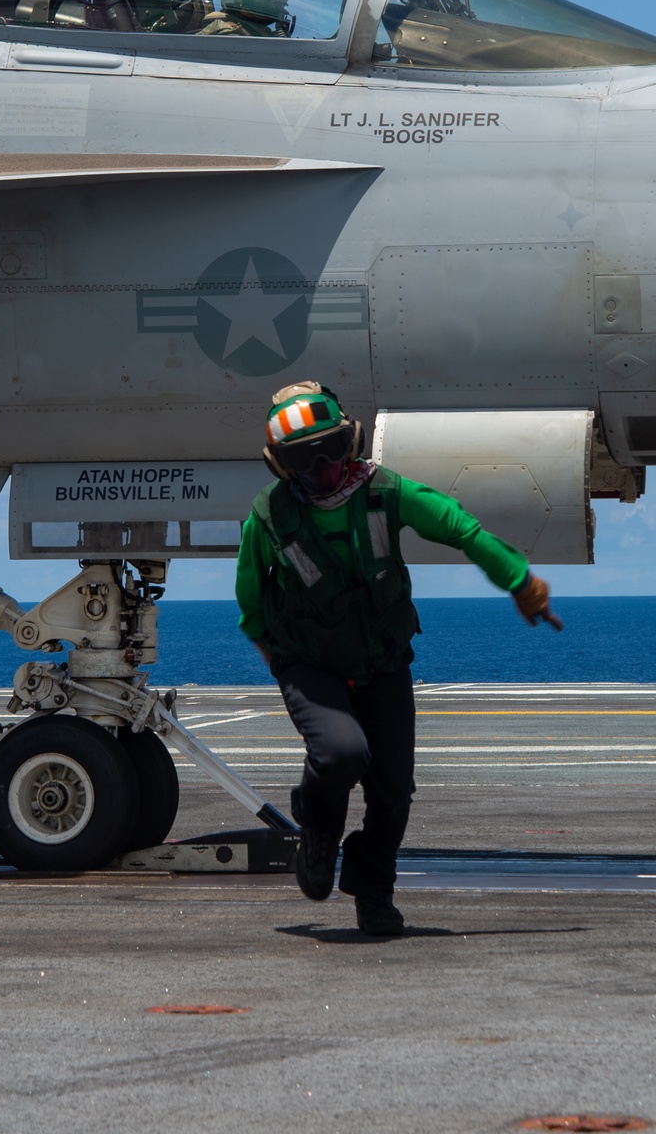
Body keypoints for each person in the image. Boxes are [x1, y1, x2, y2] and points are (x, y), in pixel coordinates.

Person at [236, 381, 562, 935]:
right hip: (309, 663)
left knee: (392, 791)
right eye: (301, 460)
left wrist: (520, 581)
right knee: (341, 753)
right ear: (281, 468)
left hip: (382, 660)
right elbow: (250, 600)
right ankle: (317, 833)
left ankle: (372, 888)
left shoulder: (387, 494)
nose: (320, 468)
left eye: (330, 451)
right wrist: (278, 659)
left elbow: (461, 528)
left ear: (352, 443)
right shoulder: (268, 519)